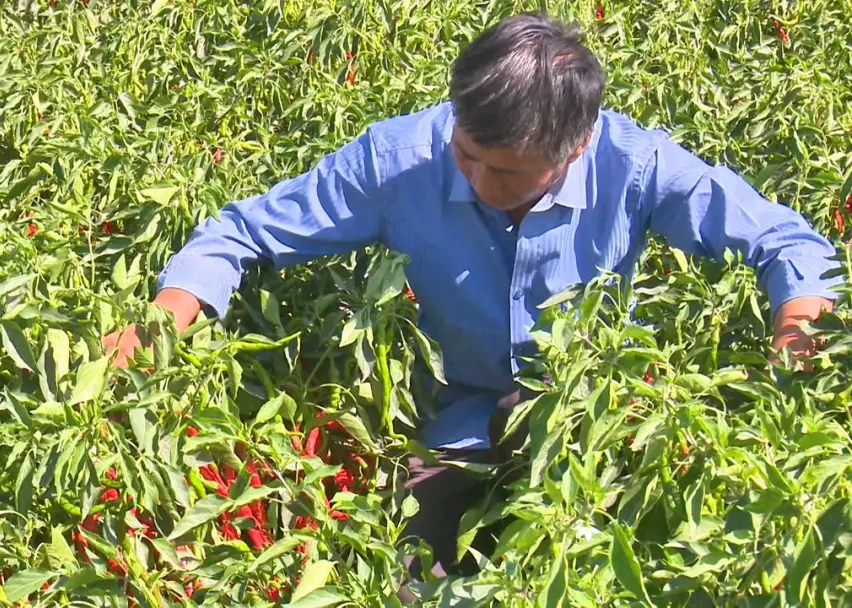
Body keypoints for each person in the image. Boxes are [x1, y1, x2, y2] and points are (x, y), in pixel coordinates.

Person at [104, 10, 838, 600]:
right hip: (459, 412)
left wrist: (796, 333)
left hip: (597, 414)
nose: (480, 179)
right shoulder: (399, 160)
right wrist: (162, 318)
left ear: (575, 146)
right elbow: (243, 231)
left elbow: (786, 242)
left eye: (508, 170)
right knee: (408, 566)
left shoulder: (636, 165)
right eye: (468, 154)